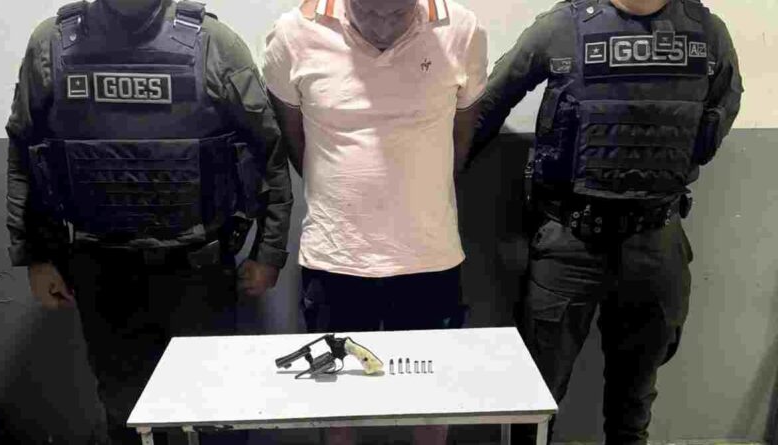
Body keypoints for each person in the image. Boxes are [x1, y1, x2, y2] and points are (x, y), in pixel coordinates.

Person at [5, 0, 293, 443]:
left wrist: (268, 253)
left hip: (198, 269)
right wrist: (36, 257)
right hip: (101, 269)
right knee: (126, 413)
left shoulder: (214, 44)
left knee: (217, 411)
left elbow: (268, 152)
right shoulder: (53, 44)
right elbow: (24, 151)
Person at [470, 0, 743, 443]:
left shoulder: (708, 32)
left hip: (655, 240)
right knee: (535, 401)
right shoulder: (562, 26)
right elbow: (488, 104)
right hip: (570, 240)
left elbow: (720, 109)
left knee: (633, 408)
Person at [263, 0, 487, 443]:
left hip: (429, 256)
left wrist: (419, 190)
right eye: (370, 11)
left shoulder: (462, 30)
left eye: (397, 12)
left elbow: (460, 141)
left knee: (432, 401)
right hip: (335, 257)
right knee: (337, 404)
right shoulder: (293, 33)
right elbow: (296, 142)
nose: (383, 24)